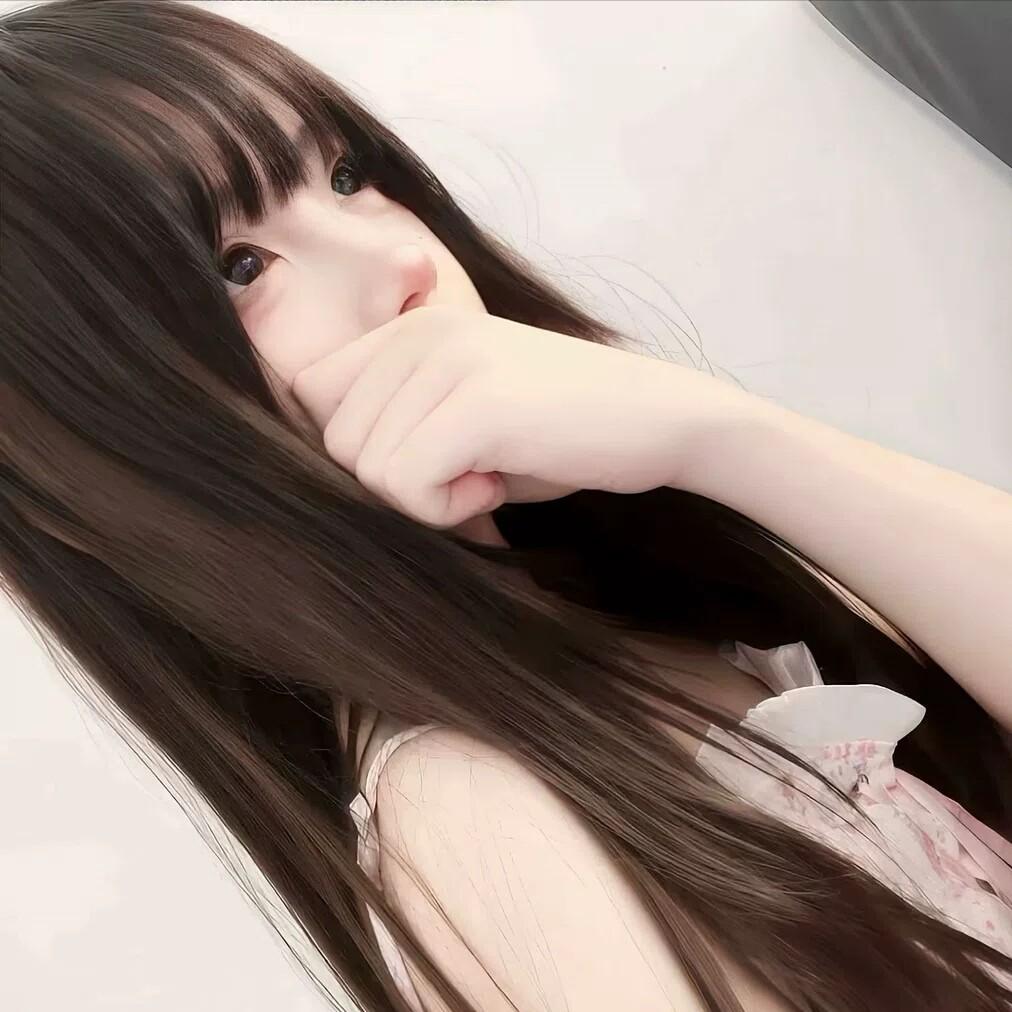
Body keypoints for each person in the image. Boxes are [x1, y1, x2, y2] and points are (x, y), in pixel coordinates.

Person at [1, 2, 1010, 1010]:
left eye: (347, 176)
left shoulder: (663, 605)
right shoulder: (477, 815)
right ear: (93, 462)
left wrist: (727, 442)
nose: (405, 260)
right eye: (240, 267)